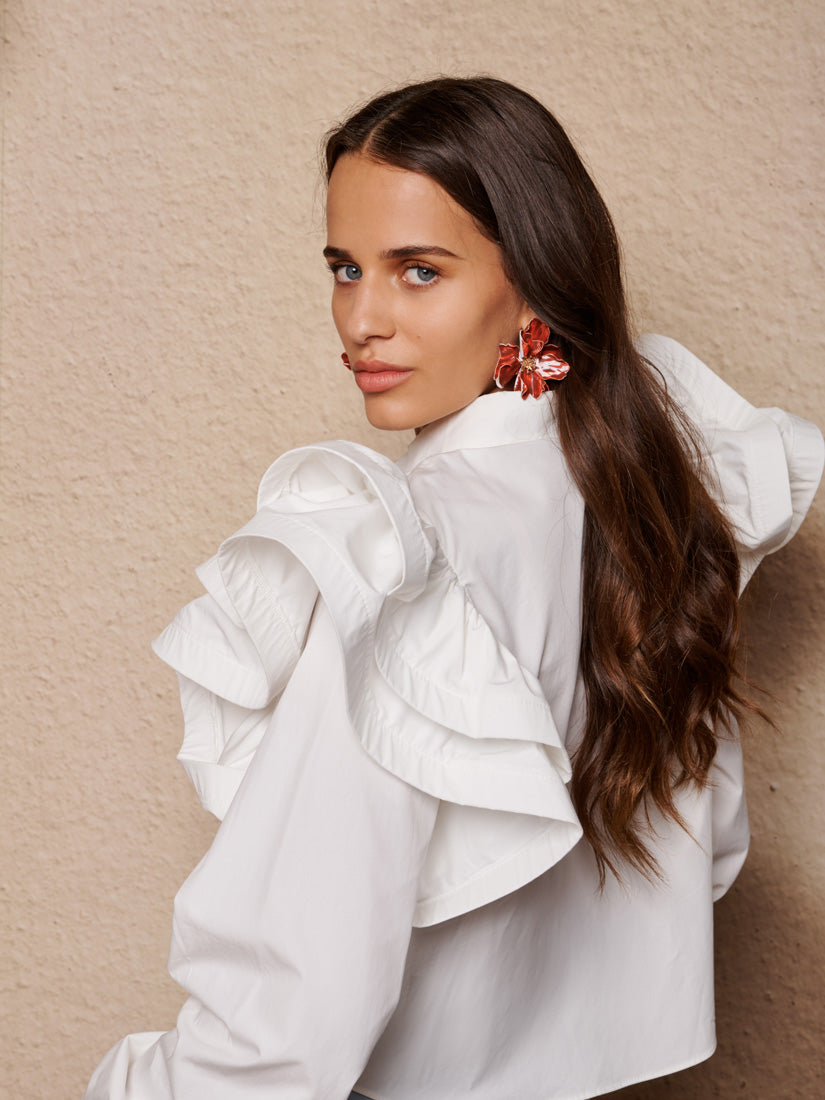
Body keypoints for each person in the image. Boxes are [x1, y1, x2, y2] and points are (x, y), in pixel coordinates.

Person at [84, 78, 823, 1100]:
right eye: (345, 268)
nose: (361, 319)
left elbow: (285, 1016)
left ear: (535, 285)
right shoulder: (642, 492)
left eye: (418, 271)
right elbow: (711, 847)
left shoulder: (403, 551)